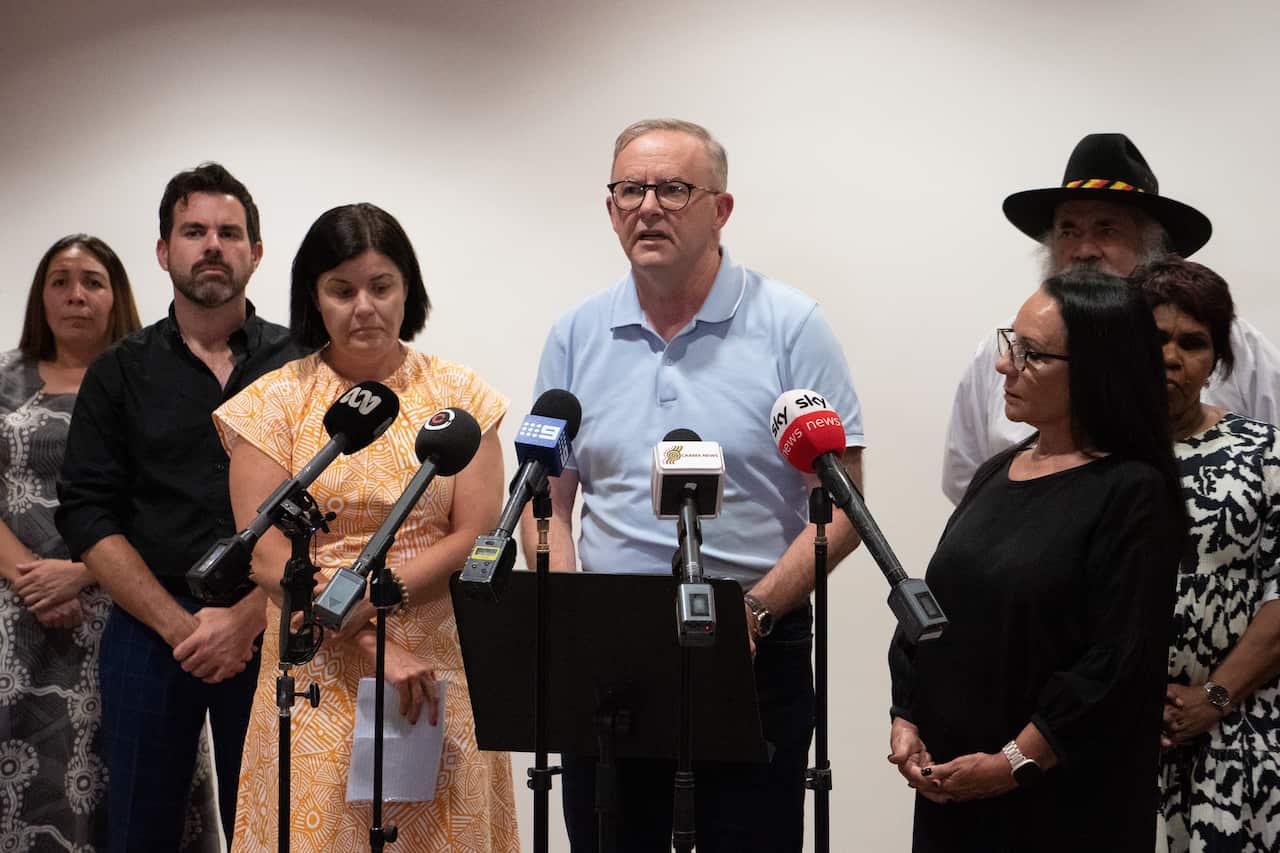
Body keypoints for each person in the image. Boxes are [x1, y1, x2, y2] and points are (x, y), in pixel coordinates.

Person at [523, 118, 865, 852]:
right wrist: (575, 613)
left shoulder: (790, 324)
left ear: (721, 208)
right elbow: (546, 497)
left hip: (752, 645)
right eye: (630, 189)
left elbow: (845, 506)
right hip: (613, 658)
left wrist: (758, 612)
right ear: (610, 207)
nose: (648, 206)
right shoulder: (576, 333)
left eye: (673, 189)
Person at [214, 202, 518, 850]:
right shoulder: (272, 401)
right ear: (312, 298)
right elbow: (267, 556)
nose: (364, 307)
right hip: (319, 664)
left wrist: (382, 595)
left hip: (436, 663)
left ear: (408, 289)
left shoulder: (461, 396)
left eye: (381, 286)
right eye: (341, 289)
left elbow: (474, 533)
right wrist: (372, 640)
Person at [888, 272, 1185, 851]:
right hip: (953, 791)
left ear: (1097, 370)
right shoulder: (997, 473)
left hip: (1060, 804)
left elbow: (1116, 667)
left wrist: (1012, 763)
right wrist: (907, 717)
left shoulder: (1133, 492)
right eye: (1010, 343)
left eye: (1031, 354)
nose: (1005, 366)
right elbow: (935, 609)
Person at [55, 163, 302, 850]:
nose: (212, 245)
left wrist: (250, 617)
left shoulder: (302, 363)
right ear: (164, 252)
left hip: (275, 622)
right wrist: (178, 626)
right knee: (140, 829)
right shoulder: (118, 371)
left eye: (229, 232)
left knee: (276, 829)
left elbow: (331, 506)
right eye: (194, 231)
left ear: (256, 251)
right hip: (147, 630)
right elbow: (86, 513)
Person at [941, 132, 1280, 503]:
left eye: (1107, 229)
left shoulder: (1221, 340)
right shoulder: (1006, 347)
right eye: (1069, 230)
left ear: (1153, 243)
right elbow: (968, 483)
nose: (1084, 250)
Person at [1129, 257, 1280, 853]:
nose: (1170, 357)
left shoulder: (1264, 455)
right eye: (1154, 338)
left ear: (1215, 360)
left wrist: (1213, 697)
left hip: (1238, 737)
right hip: (1110, 740)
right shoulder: (1087, 457)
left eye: (1193, 343)